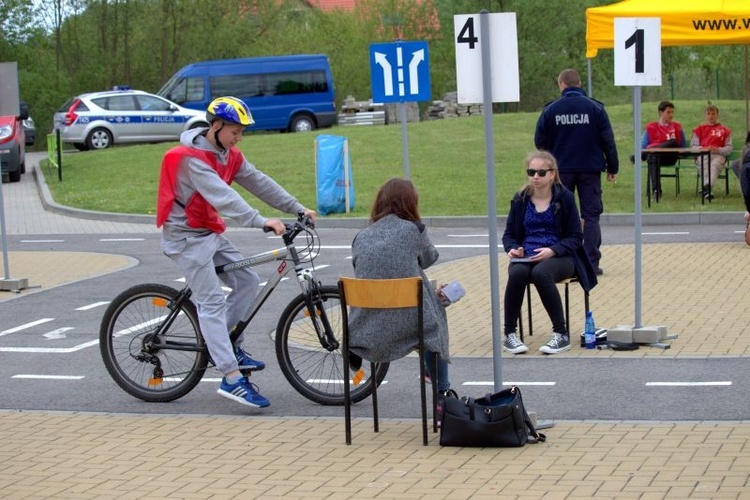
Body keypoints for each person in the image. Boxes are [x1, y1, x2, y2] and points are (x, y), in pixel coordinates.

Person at [156, 96, 316, 409]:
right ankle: (230, 377)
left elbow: (259, 182)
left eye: (242, 131)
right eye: (234, 131)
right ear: (215, 127)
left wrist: (296, 207)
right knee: (212, 301)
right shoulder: (191, 159)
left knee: (246, 279)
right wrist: (261, 221)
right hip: (186, 238)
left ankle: (227, 343)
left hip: (209, 232)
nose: (239, 137)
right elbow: (224, 197)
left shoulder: (229, 154)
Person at [347, 178, 455, 400]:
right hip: (407, 324)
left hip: (365, 326)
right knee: (433, 318)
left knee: (415, 285)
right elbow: (429, 258)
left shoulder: (360, 236)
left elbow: (359, 267)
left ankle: (351, 349)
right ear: (410, 203)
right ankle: (442, 392)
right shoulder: (413, 230)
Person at [501, 151, 597, 355]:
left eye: (541, 172)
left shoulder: (565, 197)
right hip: (527, 254)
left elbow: (575, 237)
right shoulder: (520, 200)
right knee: (517, 273)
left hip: (561, 256)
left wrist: (552, 250)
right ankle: (510, 334)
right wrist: (513, 249)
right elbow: (509, 234)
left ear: (552, 174)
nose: (535, 176)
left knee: (540, 273)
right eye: (531, 171)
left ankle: (561, 335)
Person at [534, 68, 618, 276]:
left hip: (561, 170)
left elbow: (540, 141)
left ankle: (562, 260)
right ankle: (590, 263)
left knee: (560, 214)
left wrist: (547, 165)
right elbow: (608, 139)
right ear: (580, 83)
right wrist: (612, 167)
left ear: (561, 85)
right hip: (590, 169)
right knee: (591, 216)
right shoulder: (595, 108)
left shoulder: (551, 110)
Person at [641, 100, 687, 201]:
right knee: (652, 157)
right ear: (661, 113)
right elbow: (643, 146)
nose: (671, 115)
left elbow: (683, 146)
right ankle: (656, 190)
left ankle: (651, 151)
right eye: (668, 112)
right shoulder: (651, 127)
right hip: (656, 157)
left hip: (671, 156)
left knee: (672, 142)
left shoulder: (677, 127)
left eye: (672, 112)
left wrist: (654, 148)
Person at [690, 104, 733, 201]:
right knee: (704, 165)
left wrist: (718, 150)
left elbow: (729, 149)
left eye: (713, 114)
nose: (711, 116)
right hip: (703, 154)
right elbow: (693, 147)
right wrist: (703, 149)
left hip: (718, 155)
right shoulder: (699, 129)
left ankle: (706, 188)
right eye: (708, 114)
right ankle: (707, 189)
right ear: (706, 115)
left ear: (717, 115)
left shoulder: (725, 131)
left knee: (714, 166)